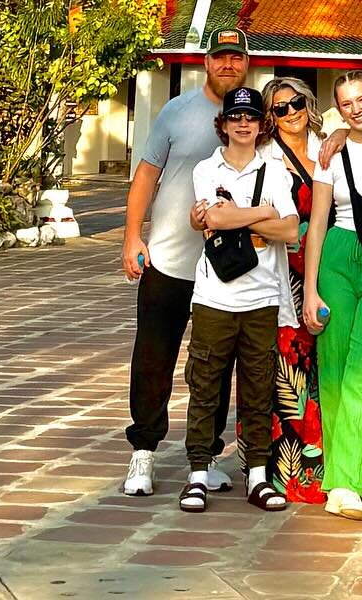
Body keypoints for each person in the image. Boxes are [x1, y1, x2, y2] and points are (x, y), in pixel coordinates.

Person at [120, 26, 250, 498]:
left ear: (246, 63)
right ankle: (144, 452)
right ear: (206, 63)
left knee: (214, 364)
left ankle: (207, 453)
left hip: (224, 270)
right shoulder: (177, 112)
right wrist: (133, 235)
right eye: (220, 58)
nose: (228, 65)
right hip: (170, 261)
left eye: (236, 58)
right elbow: (146, 177)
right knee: (154, 359)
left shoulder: (255, 116)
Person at [181, 85, 298, 513]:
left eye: (250, 118)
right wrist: (264, 214)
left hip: (262, 295)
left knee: (258, 386)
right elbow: (213, 216)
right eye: (235, 117)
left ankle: (258, 475)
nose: (243, 124)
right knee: (205, 384)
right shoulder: (207, 169)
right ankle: (197, 471)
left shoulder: (276, 171)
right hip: (215, 294)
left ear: (261, 124)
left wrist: (241, 221)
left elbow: (291, 231)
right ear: (223, 123)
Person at [302, 69, 362, 519]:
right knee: (335, 374)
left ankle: (348, 481)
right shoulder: (329, 155)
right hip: (338, 256)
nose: (355, 109)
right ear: (337, 108)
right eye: (345, 104)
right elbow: (317, 223)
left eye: (361, 99)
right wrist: (309, 290)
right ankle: (350, 479)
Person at [260, 75, 325, 504]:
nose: (290, 113)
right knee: (290, 374)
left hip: (327, 272)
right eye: (279, 108)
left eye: (296, 103)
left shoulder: (327, 146)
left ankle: (324, 466)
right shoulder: (266, 157)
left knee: (323, 374)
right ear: (271, 117)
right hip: (287, 279)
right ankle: (285, 473)